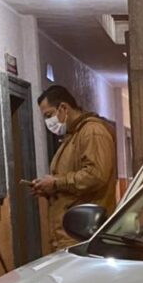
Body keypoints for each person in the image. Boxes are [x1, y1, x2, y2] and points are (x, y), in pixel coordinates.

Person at [32, 85, 117, 252]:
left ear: (63, 108)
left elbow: (96, 175)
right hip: (70, 235)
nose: (48, 122)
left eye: (49, 115)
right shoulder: (73, 136)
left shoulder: (92, 131)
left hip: (84, 236)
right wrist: (49, 188)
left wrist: (56, 182)